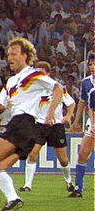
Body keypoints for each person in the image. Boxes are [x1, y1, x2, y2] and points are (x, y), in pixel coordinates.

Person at [0, 37, 62, 211]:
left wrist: (50, 113)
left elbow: (57, 89)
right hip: (27, 129)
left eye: (14, 54)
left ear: (25, 56)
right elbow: (0, 108)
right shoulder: (11, 82)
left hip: (23, 123)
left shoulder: (33, 75)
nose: (9, 58)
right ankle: (13, 199)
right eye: (8, 54)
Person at [20, 61, 76, 193]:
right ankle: (27, 185)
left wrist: (68, 116)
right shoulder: (33, 89)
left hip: (56, 126)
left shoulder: (58, 88)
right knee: (32, 154)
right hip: (40, 125)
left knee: (63, 159)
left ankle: (69, 182)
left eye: (41, 73)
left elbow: (71, 103)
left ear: (48, 73)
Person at [70, 54, 95, 198]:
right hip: (92, 121)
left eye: (94, 64)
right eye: (90, 64)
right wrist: (76, 121)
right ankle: (78, 188)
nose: (92, 67)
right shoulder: (86, 82)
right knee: (83, 153)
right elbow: (83, 103)